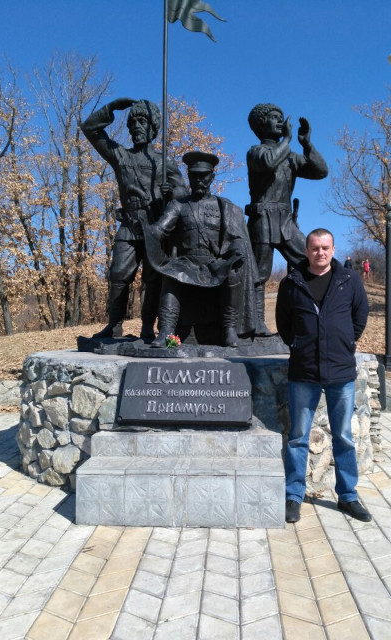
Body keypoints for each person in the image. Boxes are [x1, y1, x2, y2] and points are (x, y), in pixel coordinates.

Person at [276, 228, 372, 523]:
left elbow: (360, 316)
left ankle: (348, 496)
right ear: (306, 251)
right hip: (304, 371)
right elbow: (283, 323)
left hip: (340, 370)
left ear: (333, 249)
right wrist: (299, 344)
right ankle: (294, 495)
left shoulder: (349, 280)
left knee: (344, 436)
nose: (321, 252)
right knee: (297, 437)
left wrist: (345, 343)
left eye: (326, 247)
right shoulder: (291, 282)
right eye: (315, 248)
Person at [80, 98, 187, 340]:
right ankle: (114, 325)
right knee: (118, 274)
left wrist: (172, 191)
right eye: (134, 122)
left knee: (153, 278)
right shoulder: (120, 155)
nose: (137, 126)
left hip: (155, 225)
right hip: (129, 224)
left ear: (153, 128)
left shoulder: (164, 161)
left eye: (143, 121)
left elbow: (183, 192)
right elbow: (89, 129)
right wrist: (112, 108)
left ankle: (148, 328)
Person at [148, 151, 258, 347]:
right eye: (194, 175)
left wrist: (237, 249)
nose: (199, 180)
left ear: (212, 177)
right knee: (171, 275)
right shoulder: (177, 205)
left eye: (204, 176)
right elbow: (160, 229)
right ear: (188, 176)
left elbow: (236, 237)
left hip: (214, 264)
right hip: (187, 263)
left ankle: (229, 330)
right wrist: (148, 230)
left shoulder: (224, 206)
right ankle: (166, 331)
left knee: (233, 273)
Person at [246, 103, 328, 335]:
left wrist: (307, 144)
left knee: (311, 259)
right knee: (259, 275)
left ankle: (316, 319)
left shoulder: (290, 156)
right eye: (274, 117)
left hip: (285, 220)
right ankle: (255, 325)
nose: (280, 121)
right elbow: (270, 161)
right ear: (261, 125)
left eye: (281, 117)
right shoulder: (256, 151)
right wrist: (288, 139)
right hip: (262, 218)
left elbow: (321, 171)